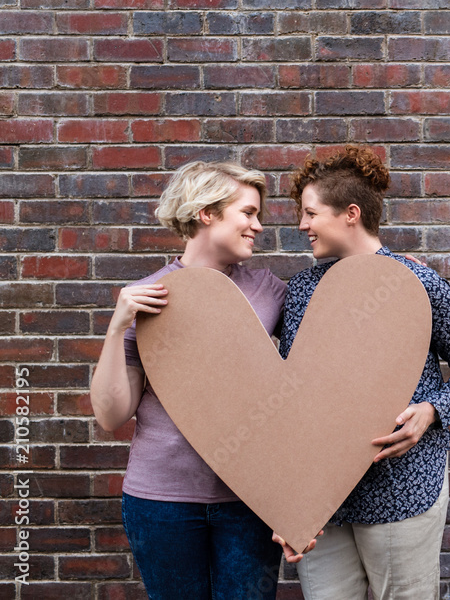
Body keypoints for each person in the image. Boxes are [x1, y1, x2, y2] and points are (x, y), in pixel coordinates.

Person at [276, 146, 450, 600]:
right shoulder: (299, 292)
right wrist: (287, 495)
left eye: (310, 213)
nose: (302, 225)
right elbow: (290, 393)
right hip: (323, 500)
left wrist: (432, 410)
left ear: (350, 214)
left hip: (402, 486)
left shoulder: (418, 283)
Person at [91, 160, 305, 600]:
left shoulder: (269, 291)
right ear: (207, 212)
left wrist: (393, 269)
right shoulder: (149, 296)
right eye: (247, 212)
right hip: (161, 502)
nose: (258, 226)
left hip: (249, 501)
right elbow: (112, 415)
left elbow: (332, 325)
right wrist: (117, 327)